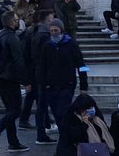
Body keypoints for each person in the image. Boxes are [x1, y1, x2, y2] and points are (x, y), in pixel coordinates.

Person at [37, 19, 89, 147]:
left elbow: (81, 65)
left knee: (62, 112)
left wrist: (84, 85)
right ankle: (65, 137)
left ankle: (66, 138)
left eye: (56, 30)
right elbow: (42, 66)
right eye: (52, 31)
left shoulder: (71, 44)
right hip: (51, 86)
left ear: (61, 30)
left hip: (67, 84)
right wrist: (42, 84)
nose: (54, 33)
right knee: (56, 113)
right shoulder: (47, 45)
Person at [0, 12, 31, 152]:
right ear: (11, 22)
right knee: (16, 111)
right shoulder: (12, 38)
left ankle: (13, 142)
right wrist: (26, 81)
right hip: (9, 78)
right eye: (16, 20)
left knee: (10, 110)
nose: (18, 22)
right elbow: (19, 61)